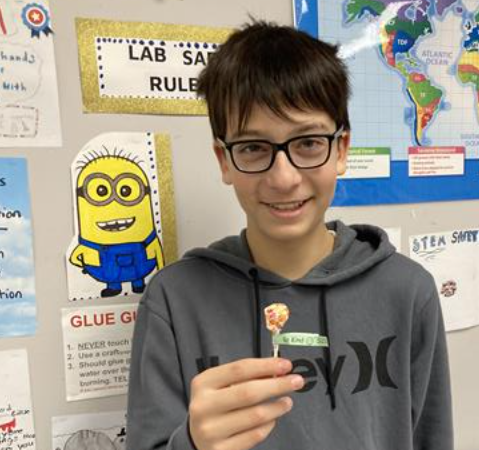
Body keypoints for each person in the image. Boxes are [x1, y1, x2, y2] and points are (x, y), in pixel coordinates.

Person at [126, 20, 453, 450]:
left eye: (308, 143)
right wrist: (192, 443)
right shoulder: (174, 300)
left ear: (341, 149)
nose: (284, 178)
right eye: (253, 148)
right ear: (224, 160)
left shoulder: (407, 292)